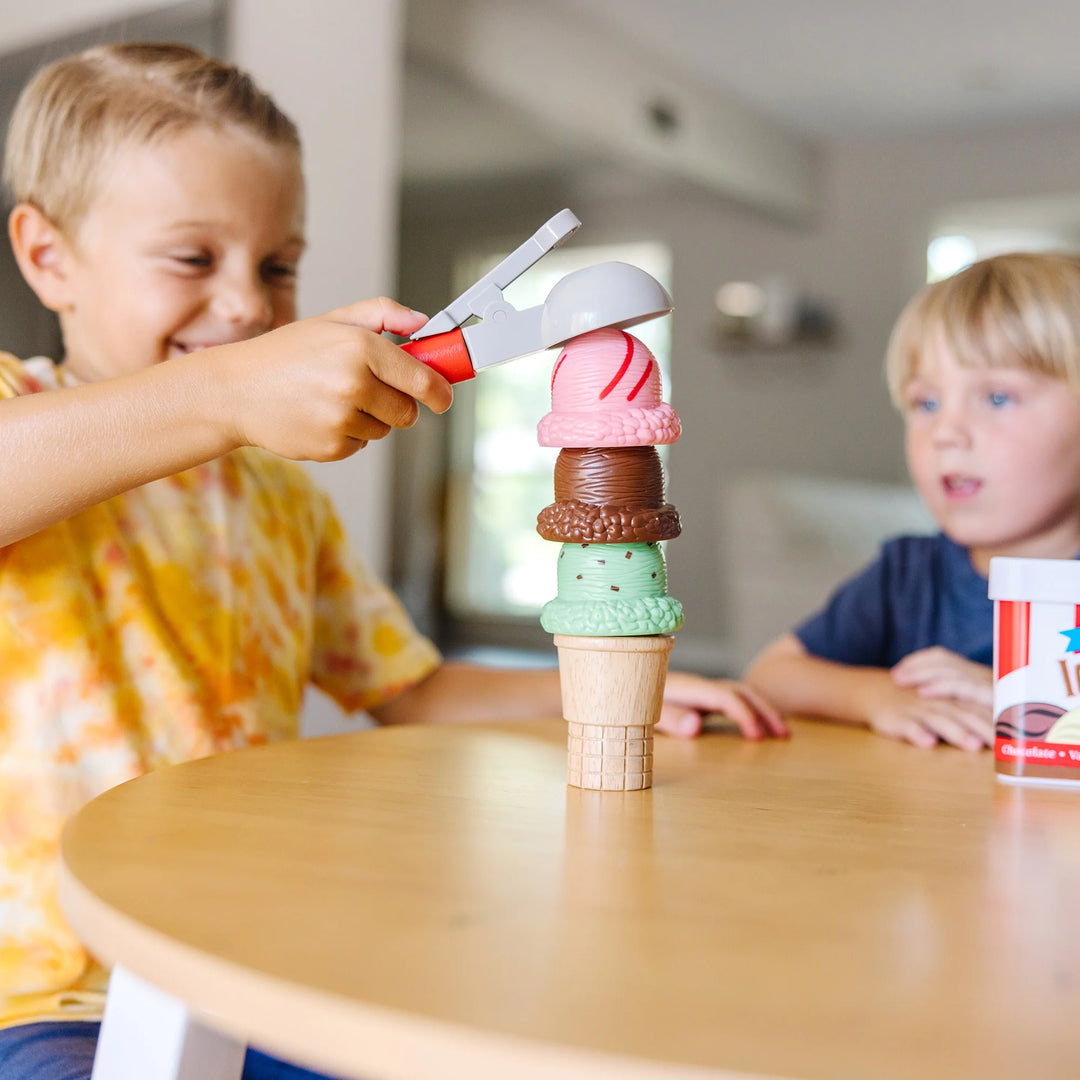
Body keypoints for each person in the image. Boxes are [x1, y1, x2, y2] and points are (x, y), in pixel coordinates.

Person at [0, 42, 784, 1080]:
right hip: (52, 997)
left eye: (278, 265)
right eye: (194, 260)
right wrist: (229, 393)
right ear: (47, 257)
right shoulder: (25, 416)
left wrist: (603, 692)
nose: (245, 306)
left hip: (251, 964)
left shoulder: (275, 498)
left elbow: (411, 688)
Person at [746, 252, 1080, 752]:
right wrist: (875, 695)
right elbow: (770, 675)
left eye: (997, 398)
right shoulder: (907, 574)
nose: (945, 432)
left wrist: (1024, 700)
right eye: (926, 403)